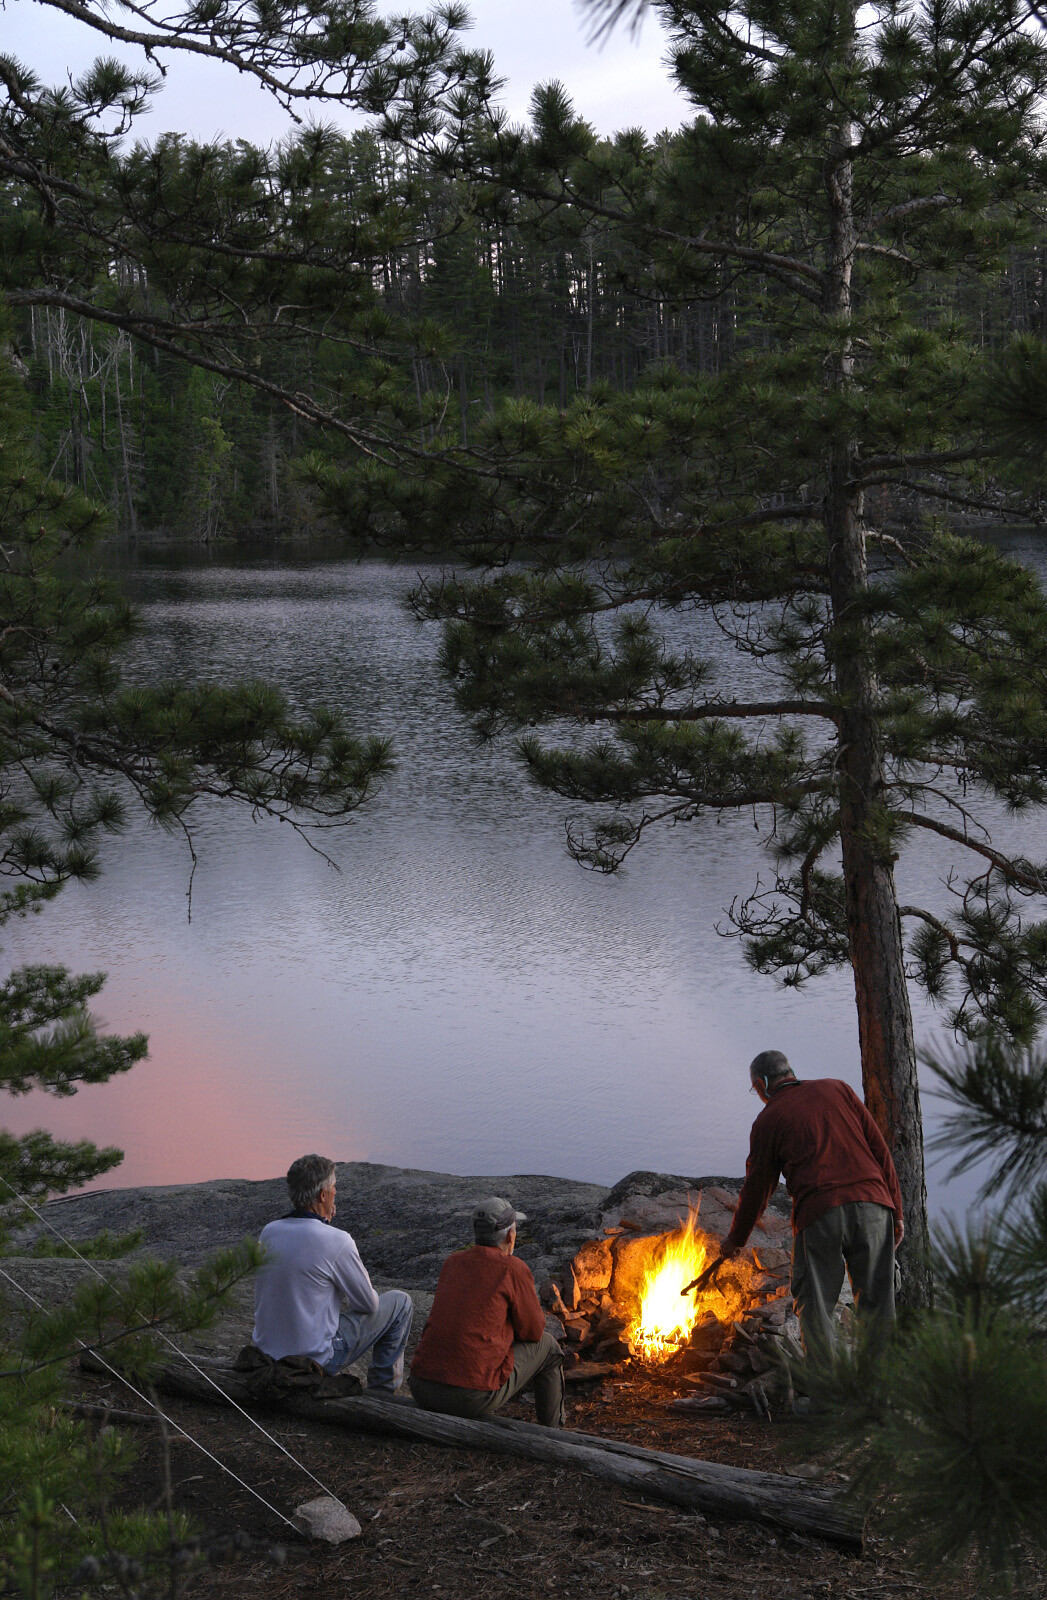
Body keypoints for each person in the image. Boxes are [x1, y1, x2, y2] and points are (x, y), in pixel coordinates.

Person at [716, 1051, 904, 1363]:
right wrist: (896, 1211)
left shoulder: (768, 1120)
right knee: (879, 1305)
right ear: (789, 1072)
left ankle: (824, 1387)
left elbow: (758, 1187)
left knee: (815, 1305)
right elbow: (879, 1149)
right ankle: (880, 1386)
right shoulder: (838, 1089)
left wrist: (736, 1239)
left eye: (755, 1089)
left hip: (820, 1214)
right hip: (874, 1205)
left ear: (762, 1084)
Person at [253, 1154, 413, 1393]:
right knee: (401, 1303)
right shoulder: (337, 1240)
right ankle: (381, 1393)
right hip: (312, 1361)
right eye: (334, 1187)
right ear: (322, 1195)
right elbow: (367, 1304)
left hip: (266, 1356)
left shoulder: (269, 1231)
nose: (336, 1192)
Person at [408, 1197, 565, 1427]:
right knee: (548, 1346)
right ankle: (552, 1434)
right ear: (510, 1236)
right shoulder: (512, 1268)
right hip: (469, 1397)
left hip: (421, 1386)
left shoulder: (452, 1262)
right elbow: (533, 1332)